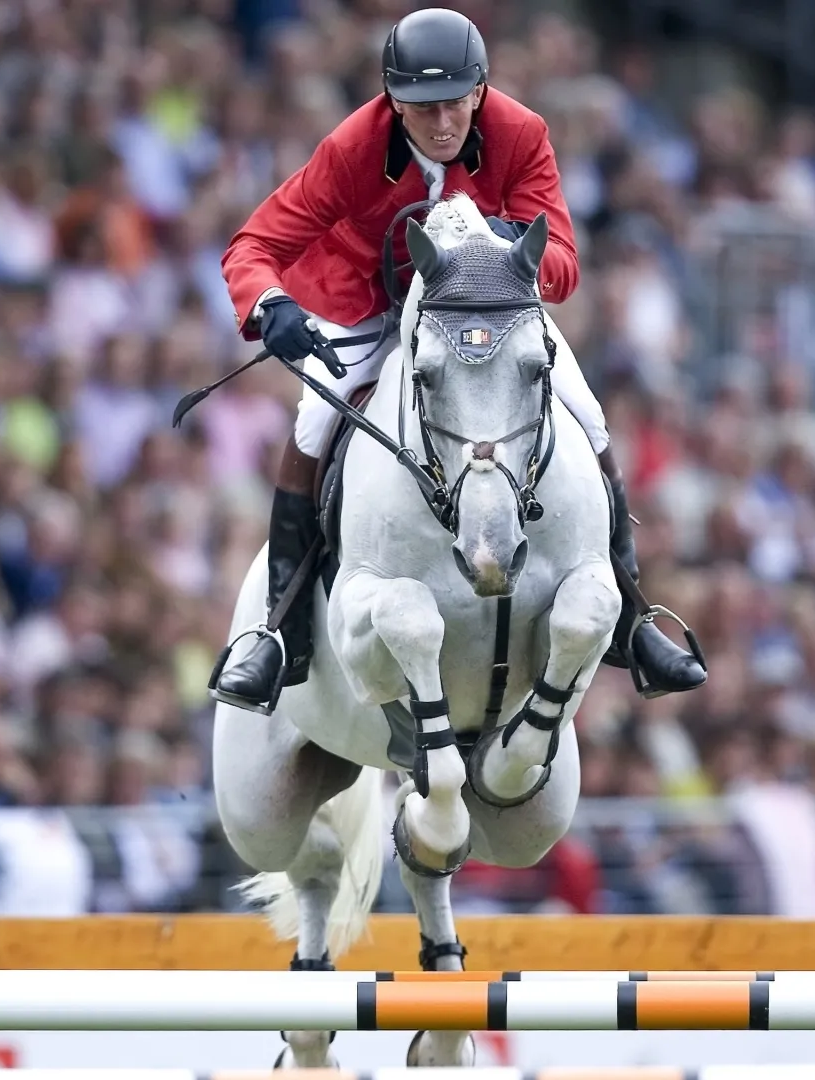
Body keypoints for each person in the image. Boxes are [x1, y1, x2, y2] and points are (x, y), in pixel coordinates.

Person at [212, 7, 706, 714]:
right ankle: (279, 632)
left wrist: (510, 240)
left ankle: (632, 616)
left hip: (493, 314)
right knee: (314, 423)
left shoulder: (521, 132)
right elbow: (253, 246)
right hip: (373, 308)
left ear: (479, 91)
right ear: (392, 102)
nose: (442, 125)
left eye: (455, 105)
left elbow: (563, 264)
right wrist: (270, 307)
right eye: (422, 110)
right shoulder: (354, 147)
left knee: (590, 418)